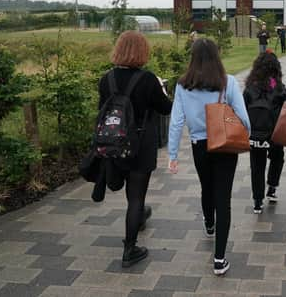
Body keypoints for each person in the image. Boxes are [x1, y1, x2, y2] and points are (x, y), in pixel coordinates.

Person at [168, 38, 251, 276]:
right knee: (223, 198)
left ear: (192, 57)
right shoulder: (228, 83)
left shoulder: (183, 85)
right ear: (217, 56)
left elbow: (175, 123)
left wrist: (173, 154)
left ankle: (209, 223)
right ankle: (219, 258)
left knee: (206, 186)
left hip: (199, 146)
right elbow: (244, 117)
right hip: (225, 145)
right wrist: (248, 136)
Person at [96, 31, 172, 268]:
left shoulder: (105, 79)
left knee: (130, 195)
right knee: (136, 196)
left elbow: (102, 111)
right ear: (142, 51)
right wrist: (163, 90)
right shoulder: (148, 79)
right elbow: (166, 108)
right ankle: (130, 248)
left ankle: (137, 218)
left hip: (113, 143)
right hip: (140, 145)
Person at [244, 52, 286, 214]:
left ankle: (258, 201)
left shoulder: (251, 86)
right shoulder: (278, 86)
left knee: (257, 166)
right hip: (274, 133)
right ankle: (272, 186)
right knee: (278, 158)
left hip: (255, 134)